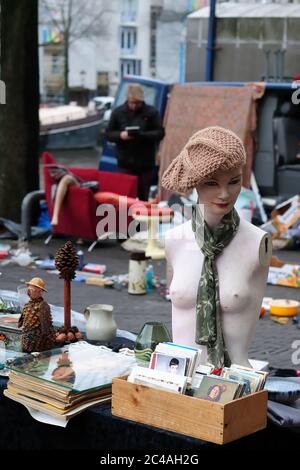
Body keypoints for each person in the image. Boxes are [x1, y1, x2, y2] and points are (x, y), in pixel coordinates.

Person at [162, 126, 272, 369]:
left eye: (234, 182)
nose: (224, 194)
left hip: (234, 383)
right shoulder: (174, 240)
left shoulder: (257, 242)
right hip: (181, 377)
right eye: (212, 183)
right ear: (196, 184)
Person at [106, 83, 165, 201]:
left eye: (137, 103)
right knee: (124, 196)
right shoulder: (117, 112)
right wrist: (121, 135)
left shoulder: (151, 112)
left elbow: (160, 133)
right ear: (127, 99)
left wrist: (141, 135)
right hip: (125, 163)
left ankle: (141, 218)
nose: (134, 106)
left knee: (143, 197)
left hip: (145, 164)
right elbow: (108, 134)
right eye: (132, 102)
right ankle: (125, 218)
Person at [18, 277, 56, 353]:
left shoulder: (43, 305)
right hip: (26, 340)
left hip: (37, 343)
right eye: (29, 289)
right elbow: (21, 322)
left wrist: (48, 340)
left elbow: (46, 327)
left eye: (33, 290)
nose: (29, 291)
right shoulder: (28, 304)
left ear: (40, 292)